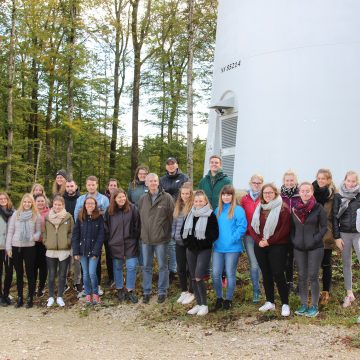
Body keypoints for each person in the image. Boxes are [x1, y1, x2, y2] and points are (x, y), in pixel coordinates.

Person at [249, 184, 291, 317]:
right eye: (265, 193)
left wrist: (269, 241)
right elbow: (252, 227)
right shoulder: (259, 208)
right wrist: (258, 241)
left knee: (278, 273)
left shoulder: (283, 209)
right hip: (260, 245)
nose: (267, 195)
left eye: (270, 192)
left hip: (277, 245)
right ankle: (270, 301)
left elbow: (284, 230)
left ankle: (285, 303)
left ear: (275, 193)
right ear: (262, 194)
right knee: (266, 273)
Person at [291, 182, 327, 317]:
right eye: (302, 191)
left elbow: (324, 227)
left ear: (312, 192)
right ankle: (304, 304)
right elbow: (292, 229)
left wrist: (315, 239)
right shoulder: (295, 209)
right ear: (299, 192)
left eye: (308, 191)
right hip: (299, 248)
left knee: (313, 276)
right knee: (302, 276)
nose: (305, 193)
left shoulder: (318, 208)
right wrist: (294, 240)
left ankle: (314, 306)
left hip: (315, 248)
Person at [181, 190, 219, 316]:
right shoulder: (190, 214)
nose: (198, 203)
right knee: (192, 277)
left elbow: (214, 234)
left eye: (201, 201)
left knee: (198, 276)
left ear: (205, 201)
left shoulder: (211, 215)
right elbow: (183, 233)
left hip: (204, 250)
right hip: (191, 250)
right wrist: (189, 244)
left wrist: (201, 243)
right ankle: (198, 304)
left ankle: (204, 305)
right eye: (196, 201)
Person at [138, 173, 174, 304]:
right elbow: (140, 218)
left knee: (163, 266)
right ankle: (146, 291)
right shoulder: (142, 199)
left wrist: (168, 233)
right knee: (146, 266)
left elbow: (172, 218)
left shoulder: (167, 198)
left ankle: (162, 291)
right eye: (150, 181)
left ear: (158, 182)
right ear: (146, 183)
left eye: (155, 181)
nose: (153, 183)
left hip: (161, 239)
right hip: (146, 239)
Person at [74, 175, 109, 295]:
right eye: (89, 184)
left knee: (96, 261)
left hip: (99, 233)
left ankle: (97, 286)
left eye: (93, 184)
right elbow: (76, 216)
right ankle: (86, 288)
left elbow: (107, 215)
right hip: (84, 234)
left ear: (97, 185)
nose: (91, 186)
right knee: (85, 265)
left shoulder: (104, 199)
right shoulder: (80, 199)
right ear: (86, 185)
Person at [213, 185, 247, 310]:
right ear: (221, 196)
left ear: (232, 196)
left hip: (232, 248)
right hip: (218, 247)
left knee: (230, 273)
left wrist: (232, 239)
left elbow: (242, 227)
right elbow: (213, 227)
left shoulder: (238, 210)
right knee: (216, 273)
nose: (226, 197)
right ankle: (219, 297)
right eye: (224, 194)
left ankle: (228, 299)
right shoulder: (217, 210)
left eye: (228, 195)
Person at [105, 189, 140, 304]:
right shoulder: (109, 211)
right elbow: (106, 227)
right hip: (115, 244)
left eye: (123, 197)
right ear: (114, 199)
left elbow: (137, 224)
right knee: (117, 267)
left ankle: (130, 290)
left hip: (130, 243)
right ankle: (119, 288)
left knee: (131, 266)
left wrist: (134, 237)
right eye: (119, 197)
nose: (122, 199)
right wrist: (110, 239)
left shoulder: (132, 208)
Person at [6, 194, 41, 308]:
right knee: (19, 273)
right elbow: (10, 231)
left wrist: (33, 237)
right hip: (16, 247)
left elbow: (38, 232)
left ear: (32, 203)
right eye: (25, 202)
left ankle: (30, 297)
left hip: (30, 247)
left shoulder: (36, 215)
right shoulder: (16, 214)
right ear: (22, 202)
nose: (27, 204)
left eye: (29, 202)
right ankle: (20, 298)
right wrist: (8, 248)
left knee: (30, 273)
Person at [332, 170, 360, 308]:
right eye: (348, 181)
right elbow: (334, 217)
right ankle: (349, 293)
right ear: (344, 181)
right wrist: (337, 237)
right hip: (344, 234)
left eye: (353, 181)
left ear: (357, 182)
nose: (350, 183)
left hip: (358, 234)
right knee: (346, 263)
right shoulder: (338, 196)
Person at [160, 157, 189, 283]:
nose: (171, 166)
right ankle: (171, 271)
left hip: (181, 213)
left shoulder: (184, 178)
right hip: (165, 215)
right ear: (166, 167)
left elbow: (187, 194)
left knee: (181, 241)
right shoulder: (162, 180)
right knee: (168, 242)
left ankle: (183, 270)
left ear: (177, 165)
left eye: (173, 164)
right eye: (168, 164)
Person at [72, 197, 105, 305]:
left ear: (95, 205)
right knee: (85, 274)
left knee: (92, 273)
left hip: (94, 252)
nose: (90, 205)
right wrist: (76, 252)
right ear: (84, 205)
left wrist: (96, 252)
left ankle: (95, 293)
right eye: (88, 203)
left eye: (92, 203)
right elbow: (75, 235)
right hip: (82, 251)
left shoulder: (99, 218)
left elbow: (101, 236)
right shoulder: (80, 217)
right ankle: (87, 294)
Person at [43, 196, 74, 307]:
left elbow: (72, 232)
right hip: (50, 250)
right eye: (55, 204)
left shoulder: (68, 217)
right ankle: (51, 296)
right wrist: (46, 242)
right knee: (51, 275)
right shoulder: (47, 217)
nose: (57, 206)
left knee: (62, 275)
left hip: (64, 250)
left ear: (63, 205)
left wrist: (68, 242)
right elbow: (44, 232)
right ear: (53, 205)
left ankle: (60, 296)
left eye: (59, 205)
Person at [312, 169, 337, 305]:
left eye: (324, 178)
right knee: (313, 264)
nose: (321, 180)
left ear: (329, 180)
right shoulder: (311, 192)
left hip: (327, 234)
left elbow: (335, 217)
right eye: (319, 178)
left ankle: (326, 293)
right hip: (312, 234)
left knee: (326, 264)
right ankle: (314, 293)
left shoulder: (333, 195)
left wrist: (335, 235)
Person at [240, 174, 263, 303]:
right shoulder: (244, 199)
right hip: (249, 236)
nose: (256, 184)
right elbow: (242, 218)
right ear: (250, 183)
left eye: (259, 183)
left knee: (263, 264)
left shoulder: (265, 197)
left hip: (263, 236)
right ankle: (256, 290)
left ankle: (266, 288)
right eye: (254, 182)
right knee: (254, 265)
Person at [172, 182, 195, 305]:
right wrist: (173, 235)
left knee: (190, 268)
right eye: (183, 193)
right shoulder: (178, 206)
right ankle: (184, 290)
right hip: (178, 242)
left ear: (191, 194)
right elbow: (174, 223)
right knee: (180, 267)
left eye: (187, 193)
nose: (185, 196)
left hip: (190, 243)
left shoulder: (194, 206)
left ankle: (192, 292)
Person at [280, 170, 301, 292]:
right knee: (287, 259)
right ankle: (289, 283)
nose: (289, 182)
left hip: (298, 232)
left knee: (298, 258)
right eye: (287, 180)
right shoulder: (279, 196)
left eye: (291, 180)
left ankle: (300, 284)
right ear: (283, 181)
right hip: (284, 232)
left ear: (295, 181)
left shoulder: (300, 194)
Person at [63, 179, 82, 293]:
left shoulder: (81, 199)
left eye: (72, 186)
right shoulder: (62, 199)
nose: (70, 188)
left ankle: (77, 282)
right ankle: (63, 282)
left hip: (78, 233)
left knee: (77, 259)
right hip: (64, 234)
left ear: (76, 187)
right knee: (65, 259)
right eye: (68, 186)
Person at [103, 179, 119, 286]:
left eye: (115, 185)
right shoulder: (103, 198)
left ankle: (118, 277)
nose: (112, 187)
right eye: (111, 185)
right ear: (108, 186)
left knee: (117, 256)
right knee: (108, 255)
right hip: (106, 231)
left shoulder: (121, 197)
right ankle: (111, 277)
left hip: (118, 231)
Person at [34, 194, 50, 297]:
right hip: (32, 244)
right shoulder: (31, 212)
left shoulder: (49, 212)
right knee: (33, 266)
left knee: (43, 266)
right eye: (38, 201)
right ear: (35, 202)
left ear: (45, 202)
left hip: (45, 243)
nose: (40, 203)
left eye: (42, 201)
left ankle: (41, 287)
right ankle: (33, 286)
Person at [0, 192, 15, 306]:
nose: (3, 200)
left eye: (4, 198)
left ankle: (6, 294)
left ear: (8, 199)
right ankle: (1, 297)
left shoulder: (13, 213)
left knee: (9, 272)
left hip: (9, 247)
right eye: (0, 198)